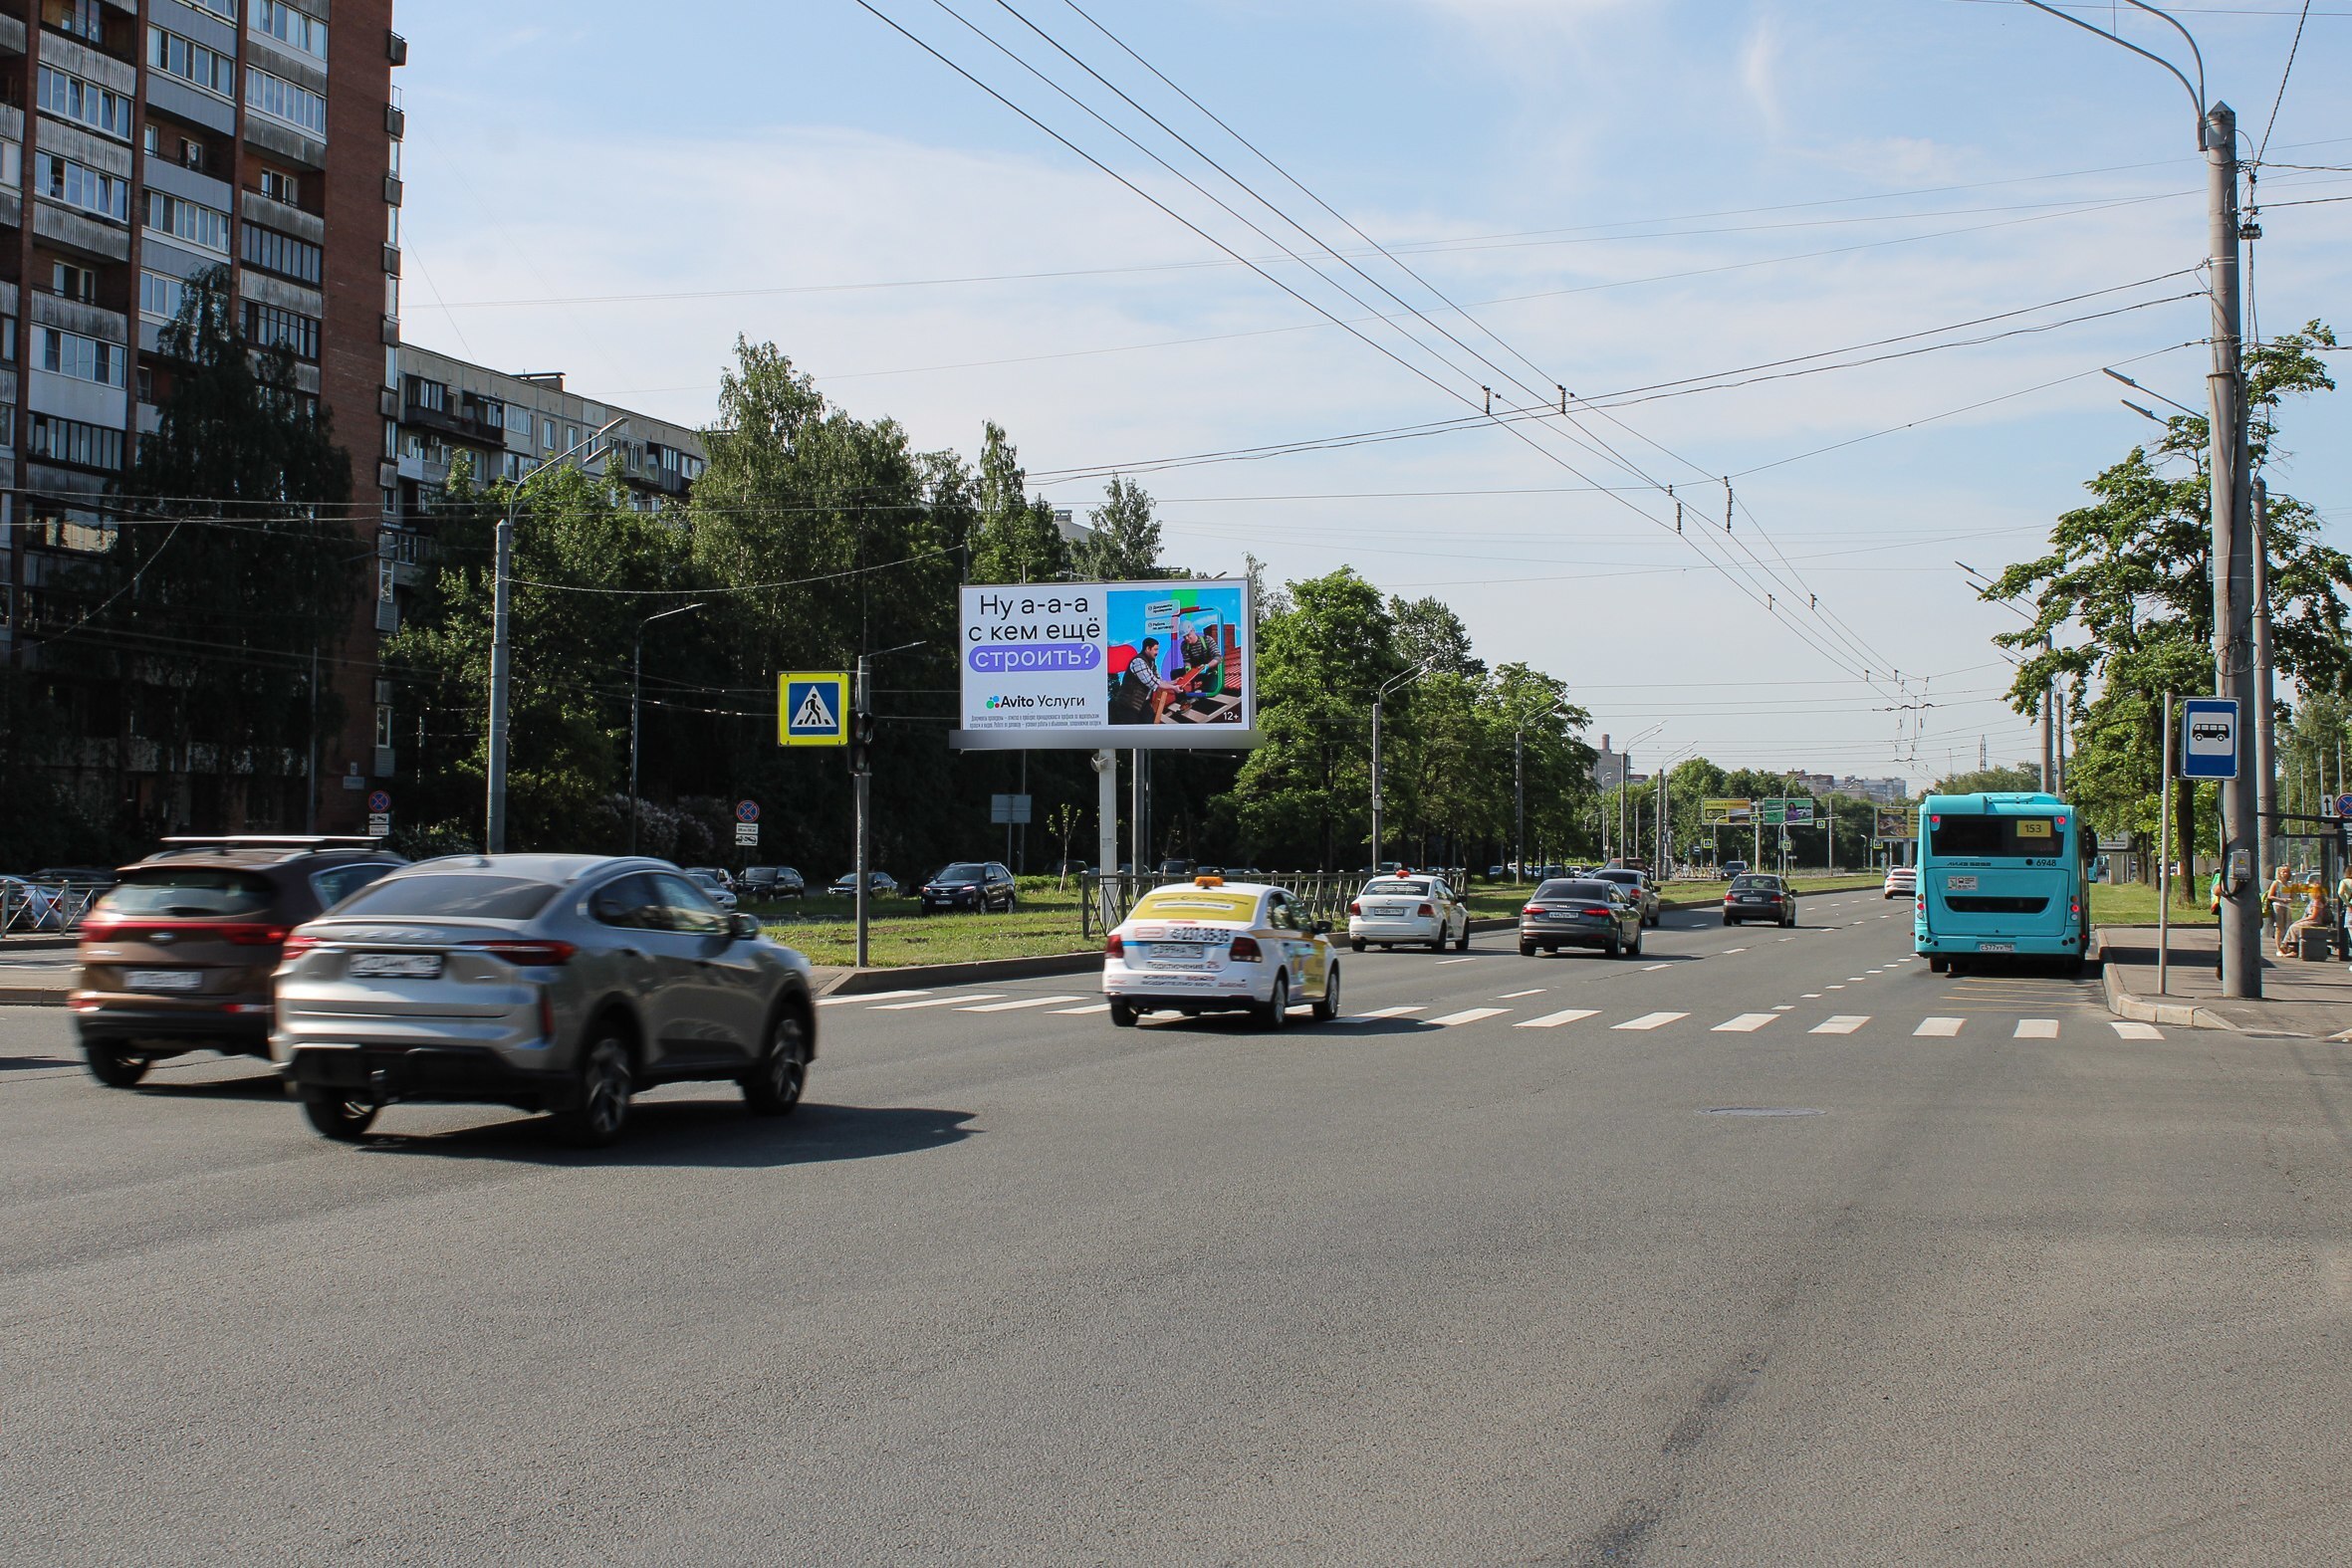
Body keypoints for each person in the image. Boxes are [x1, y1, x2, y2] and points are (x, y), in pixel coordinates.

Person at [1109, 637, 1171, 725]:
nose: (1157, 652)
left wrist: (1172, 683)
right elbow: (1152, 682)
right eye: (1155, 649)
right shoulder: (1138, 661)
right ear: (1148, 648)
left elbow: (1158, 678)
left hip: (1142, 702)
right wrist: (1173, 687)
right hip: (1129, 704)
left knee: (1149, 720)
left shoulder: (1151, 661)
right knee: (1133, 729)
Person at [2265, 866, 2293, 950]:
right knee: (2279, 927)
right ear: (2279, 873)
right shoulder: (2276, 883)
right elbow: (2270, 896)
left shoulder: (2289, 884)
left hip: (2287, 906)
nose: (2285, 874)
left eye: (2287, 872)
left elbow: (2292, 896)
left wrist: (2290, 899)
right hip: (2278, 905)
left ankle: (2286, 946)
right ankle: (2278, 948)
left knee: (2288, 926)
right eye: (2283, 872)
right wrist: (2281, 899)